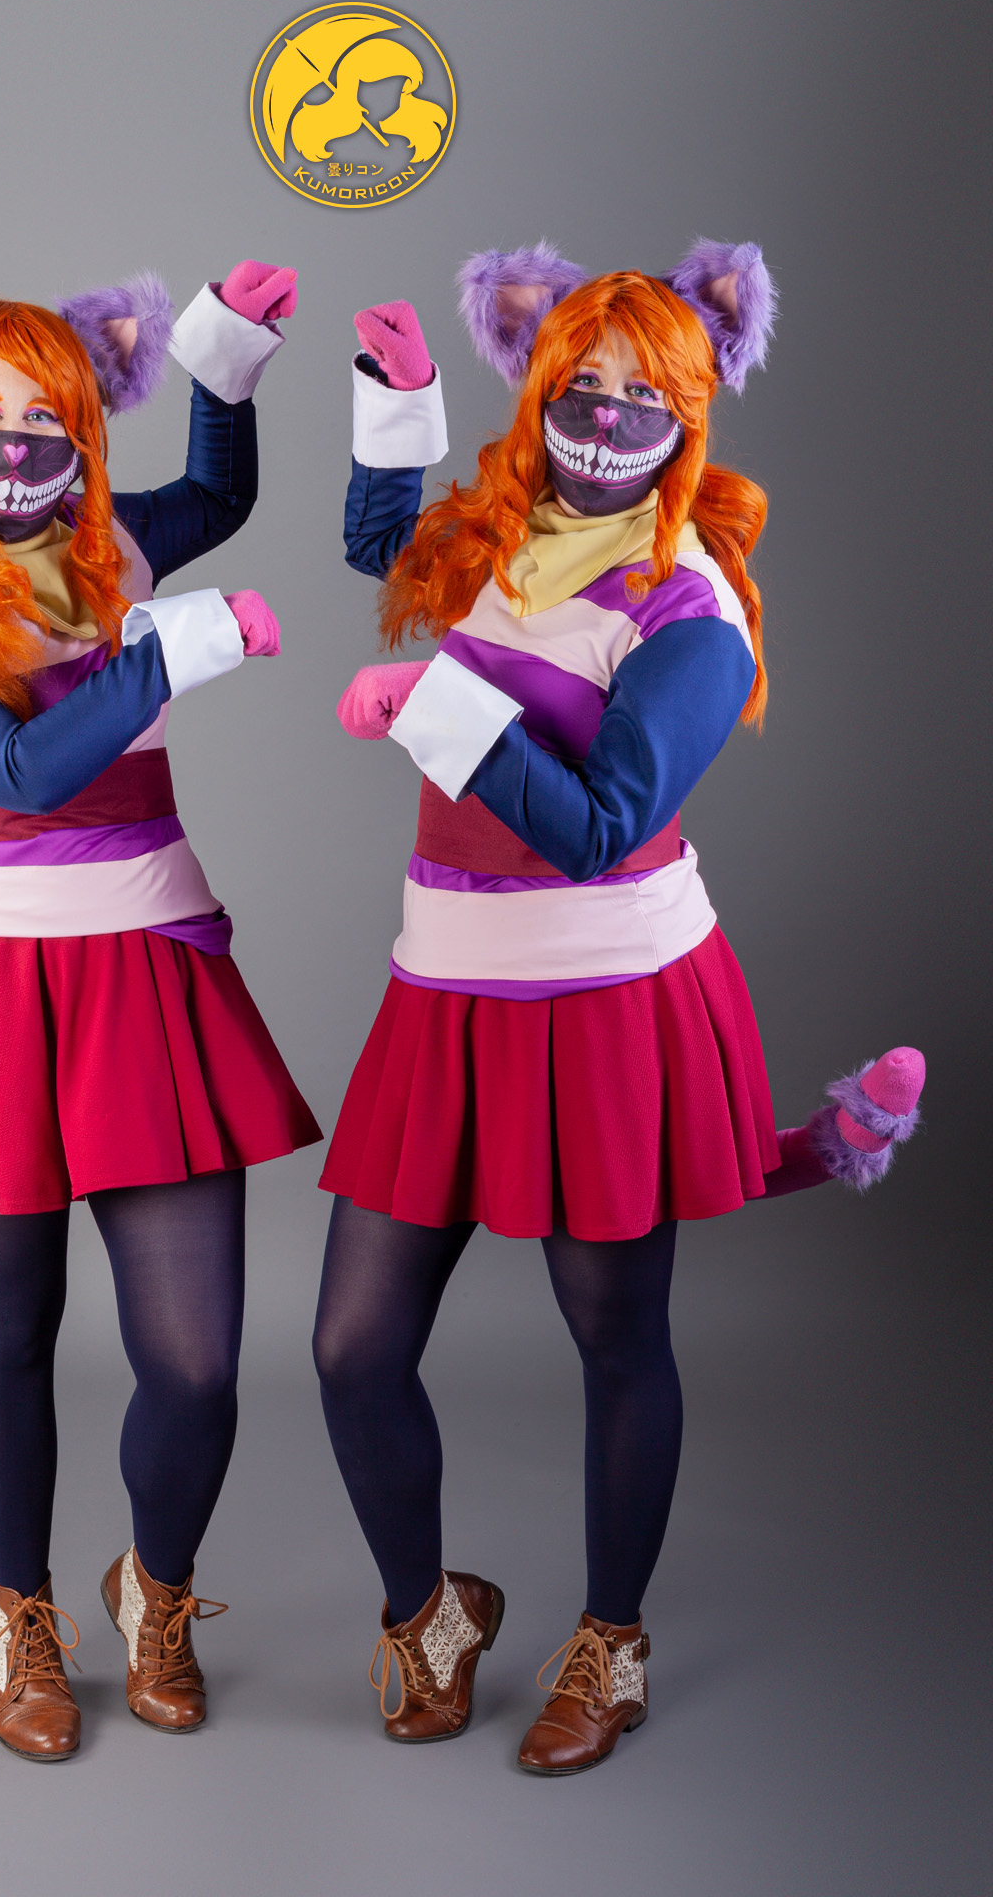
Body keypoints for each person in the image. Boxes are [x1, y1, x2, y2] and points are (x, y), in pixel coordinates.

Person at [314, 242, 925, 1774]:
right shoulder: (500, 530)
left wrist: (438, 711)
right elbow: (389, 547)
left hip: (607, 1004)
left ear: (690, 414)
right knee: (352, 1347)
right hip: (446, 992)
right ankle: (428, 1614)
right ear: (537, 389)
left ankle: (612, 1641)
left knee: (613, 1335)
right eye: (576, 387)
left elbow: (597, 826)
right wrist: (395, 400)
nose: (602, 419)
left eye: (640, 396)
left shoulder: (693, 609)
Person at [0, 260, 321, 1760]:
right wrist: (176, 652)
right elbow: (21, 775)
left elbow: (212, 502)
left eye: (52, 419)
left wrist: (225, 369)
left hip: (147, 974)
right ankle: (20, 1617)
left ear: (87, 430)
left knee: (198, 1363)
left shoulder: (108, 552)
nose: (19, 445)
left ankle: (157, 1589)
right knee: (11, 1333)